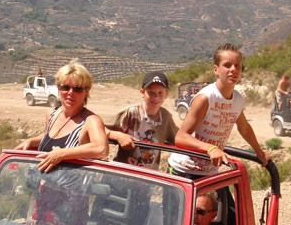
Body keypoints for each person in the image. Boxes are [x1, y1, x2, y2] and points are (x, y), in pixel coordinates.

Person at [168, 43, 267, 177]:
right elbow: (181, 137)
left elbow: (244, 128)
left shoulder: (238, 99)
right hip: (184, 169)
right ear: (216, 70)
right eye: (227, 65)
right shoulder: (205, 98)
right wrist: (211, 148)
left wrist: (259, 152)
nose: (233, 69)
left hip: (210, 171)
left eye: (237, 66)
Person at [16, 61, 108, 173]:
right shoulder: (51, 114)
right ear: (59, 88)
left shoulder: (91, 121)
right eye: (65, 87)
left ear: (86, 90)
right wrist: (32, 141)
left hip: (70, 184)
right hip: (40, 181)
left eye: (77, 88)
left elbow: (101, 149)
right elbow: (52, 136)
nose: (70, 93)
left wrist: (62, 154)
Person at [106, 71, 178, 169]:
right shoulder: (130, 113)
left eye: (160, 93)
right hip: (123, 172)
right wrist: (118, 135)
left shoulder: (166, 118)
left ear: (166, 94)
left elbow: (178, 139)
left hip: (148, 174)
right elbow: (99, 128)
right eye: (151, 93)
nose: (156, 97)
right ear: (142, 92)